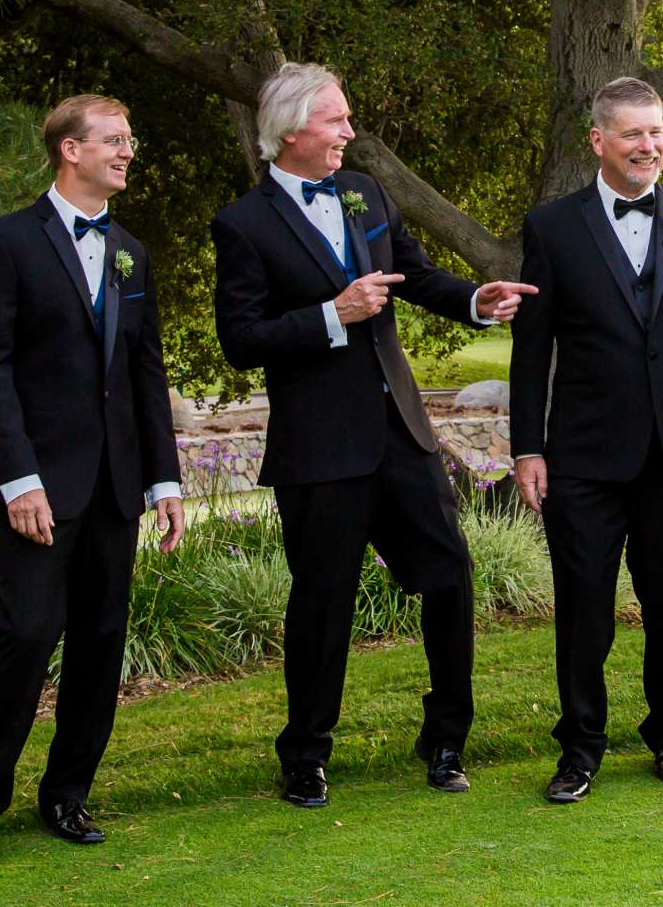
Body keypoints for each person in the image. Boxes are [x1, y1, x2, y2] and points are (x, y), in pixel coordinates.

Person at [210, 62, 531, 807]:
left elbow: (414, 277)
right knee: (322, 602)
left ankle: (446, 737)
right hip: (319, 448)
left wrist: (477, 301)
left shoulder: (366, 194)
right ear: (290, 131)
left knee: (449, 577)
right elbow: (241, 338)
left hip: (402, 434)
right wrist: (333, 315)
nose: (350, 134)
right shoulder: (243, 224)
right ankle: (305, 756)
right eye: (337, 121)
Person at [0, 94, 186, 865]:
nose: (129, 150)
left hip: (116, 487)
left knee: (100, 644)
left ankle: (68, 796)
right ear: (70, 150)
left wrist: (166, 483)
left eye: (130, 138)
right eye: (114, 139)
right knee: (21, 636)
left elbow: (145, 377)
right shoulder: (3, 243)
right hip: (38, 488)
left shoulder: (133, 254)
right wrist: (19, 480)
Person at [508, 76, 663, 802]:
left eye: (657, 133)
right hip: (582, 454)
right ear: (598, 142)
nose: (651, 147)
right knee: (583, 606)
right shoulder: (552, 227)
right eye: (635, 134)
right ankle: (580, 748)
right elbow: (531, 350)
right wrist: (527, 446)